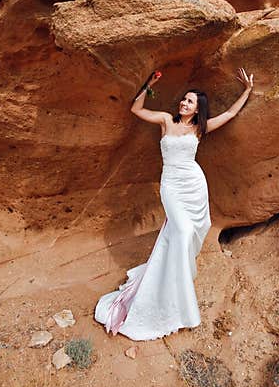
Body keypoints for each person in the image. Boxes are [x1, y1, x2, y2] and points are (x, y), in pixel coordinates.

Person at [94, 68, 254, 341]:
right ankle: (172, 290)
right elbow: (136, 109)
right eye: (184, 99)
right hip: (171, 185)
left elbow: (228, 115)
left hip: (194, 184)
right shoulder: (167, 121)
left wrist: (247, 91)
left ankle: (177, 276)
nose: (184, 102)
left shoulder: (199, 128)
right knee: (179, 230)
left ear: (197, 109)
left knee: (190, 231)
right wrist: (148, 84)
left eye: (190, 101)